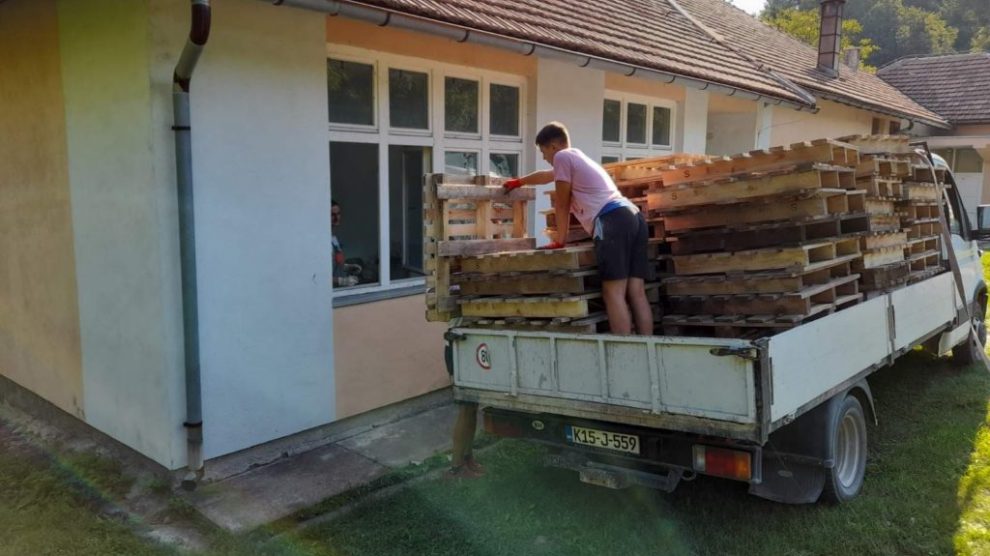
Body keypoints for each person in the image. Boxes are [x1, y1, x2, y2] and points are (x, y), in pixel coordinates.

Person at [503, 122, 653, 336]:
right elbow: (545, 176)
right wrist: (519, 182)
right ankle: (648, 347)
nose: (545, 158)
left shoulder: (562, 157)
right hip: (633, 216)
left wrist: (560, 240)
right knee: (636, 291)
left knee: (613, 292)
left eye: (543, 152)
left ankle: (624, 350)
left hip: (612, 220)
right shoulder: (576, 157)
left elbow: (562, 204)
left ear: (554, 146)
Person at [331, 200, 361, 287]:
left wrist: (348, 267)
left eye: (338, 214)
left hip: (340, 290)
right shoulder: (321, 241)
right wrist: (342, 281)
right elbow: (319, 275)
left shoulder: (333, 238)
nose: (336, 218)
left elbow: (335, 264)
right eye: (332, 215)